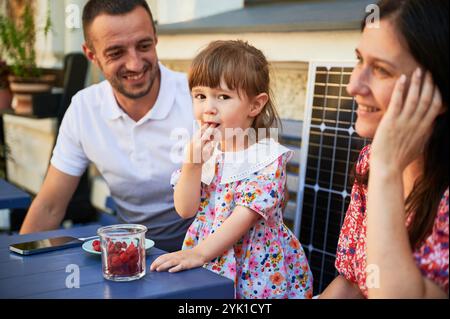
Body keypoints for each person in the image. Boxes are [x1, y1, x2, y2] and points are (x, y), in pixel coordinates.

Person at [19, 0, 195, 252]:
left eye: (143, 45)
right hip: (130, 254)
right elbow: (49, 206)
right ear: (92, 55)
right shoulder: (83, 108)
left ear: (155, 39)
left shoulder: (199, 99)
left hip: (204, 252)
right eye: (116, 52)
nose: (135, 64)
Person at [149, 40, 313, 299]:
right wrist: (192, 165)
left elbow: (243, 219)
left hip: (255, 268)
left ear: (255, 105)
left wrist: (198, 254)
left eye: (223, 97)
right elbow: (185, 209)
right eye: (200, 96)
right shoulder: (205, 152)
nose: (208, 108)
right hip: (208, 258)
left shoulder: (266, 158)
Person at [320, 0, 448, 298]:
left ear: (440, 93)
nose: (353, 85)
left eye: (381, 70)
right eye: (359, 60)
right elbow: (352, 282)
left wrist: (387, 170)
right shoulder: (370, 162)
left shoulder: (382, 165)